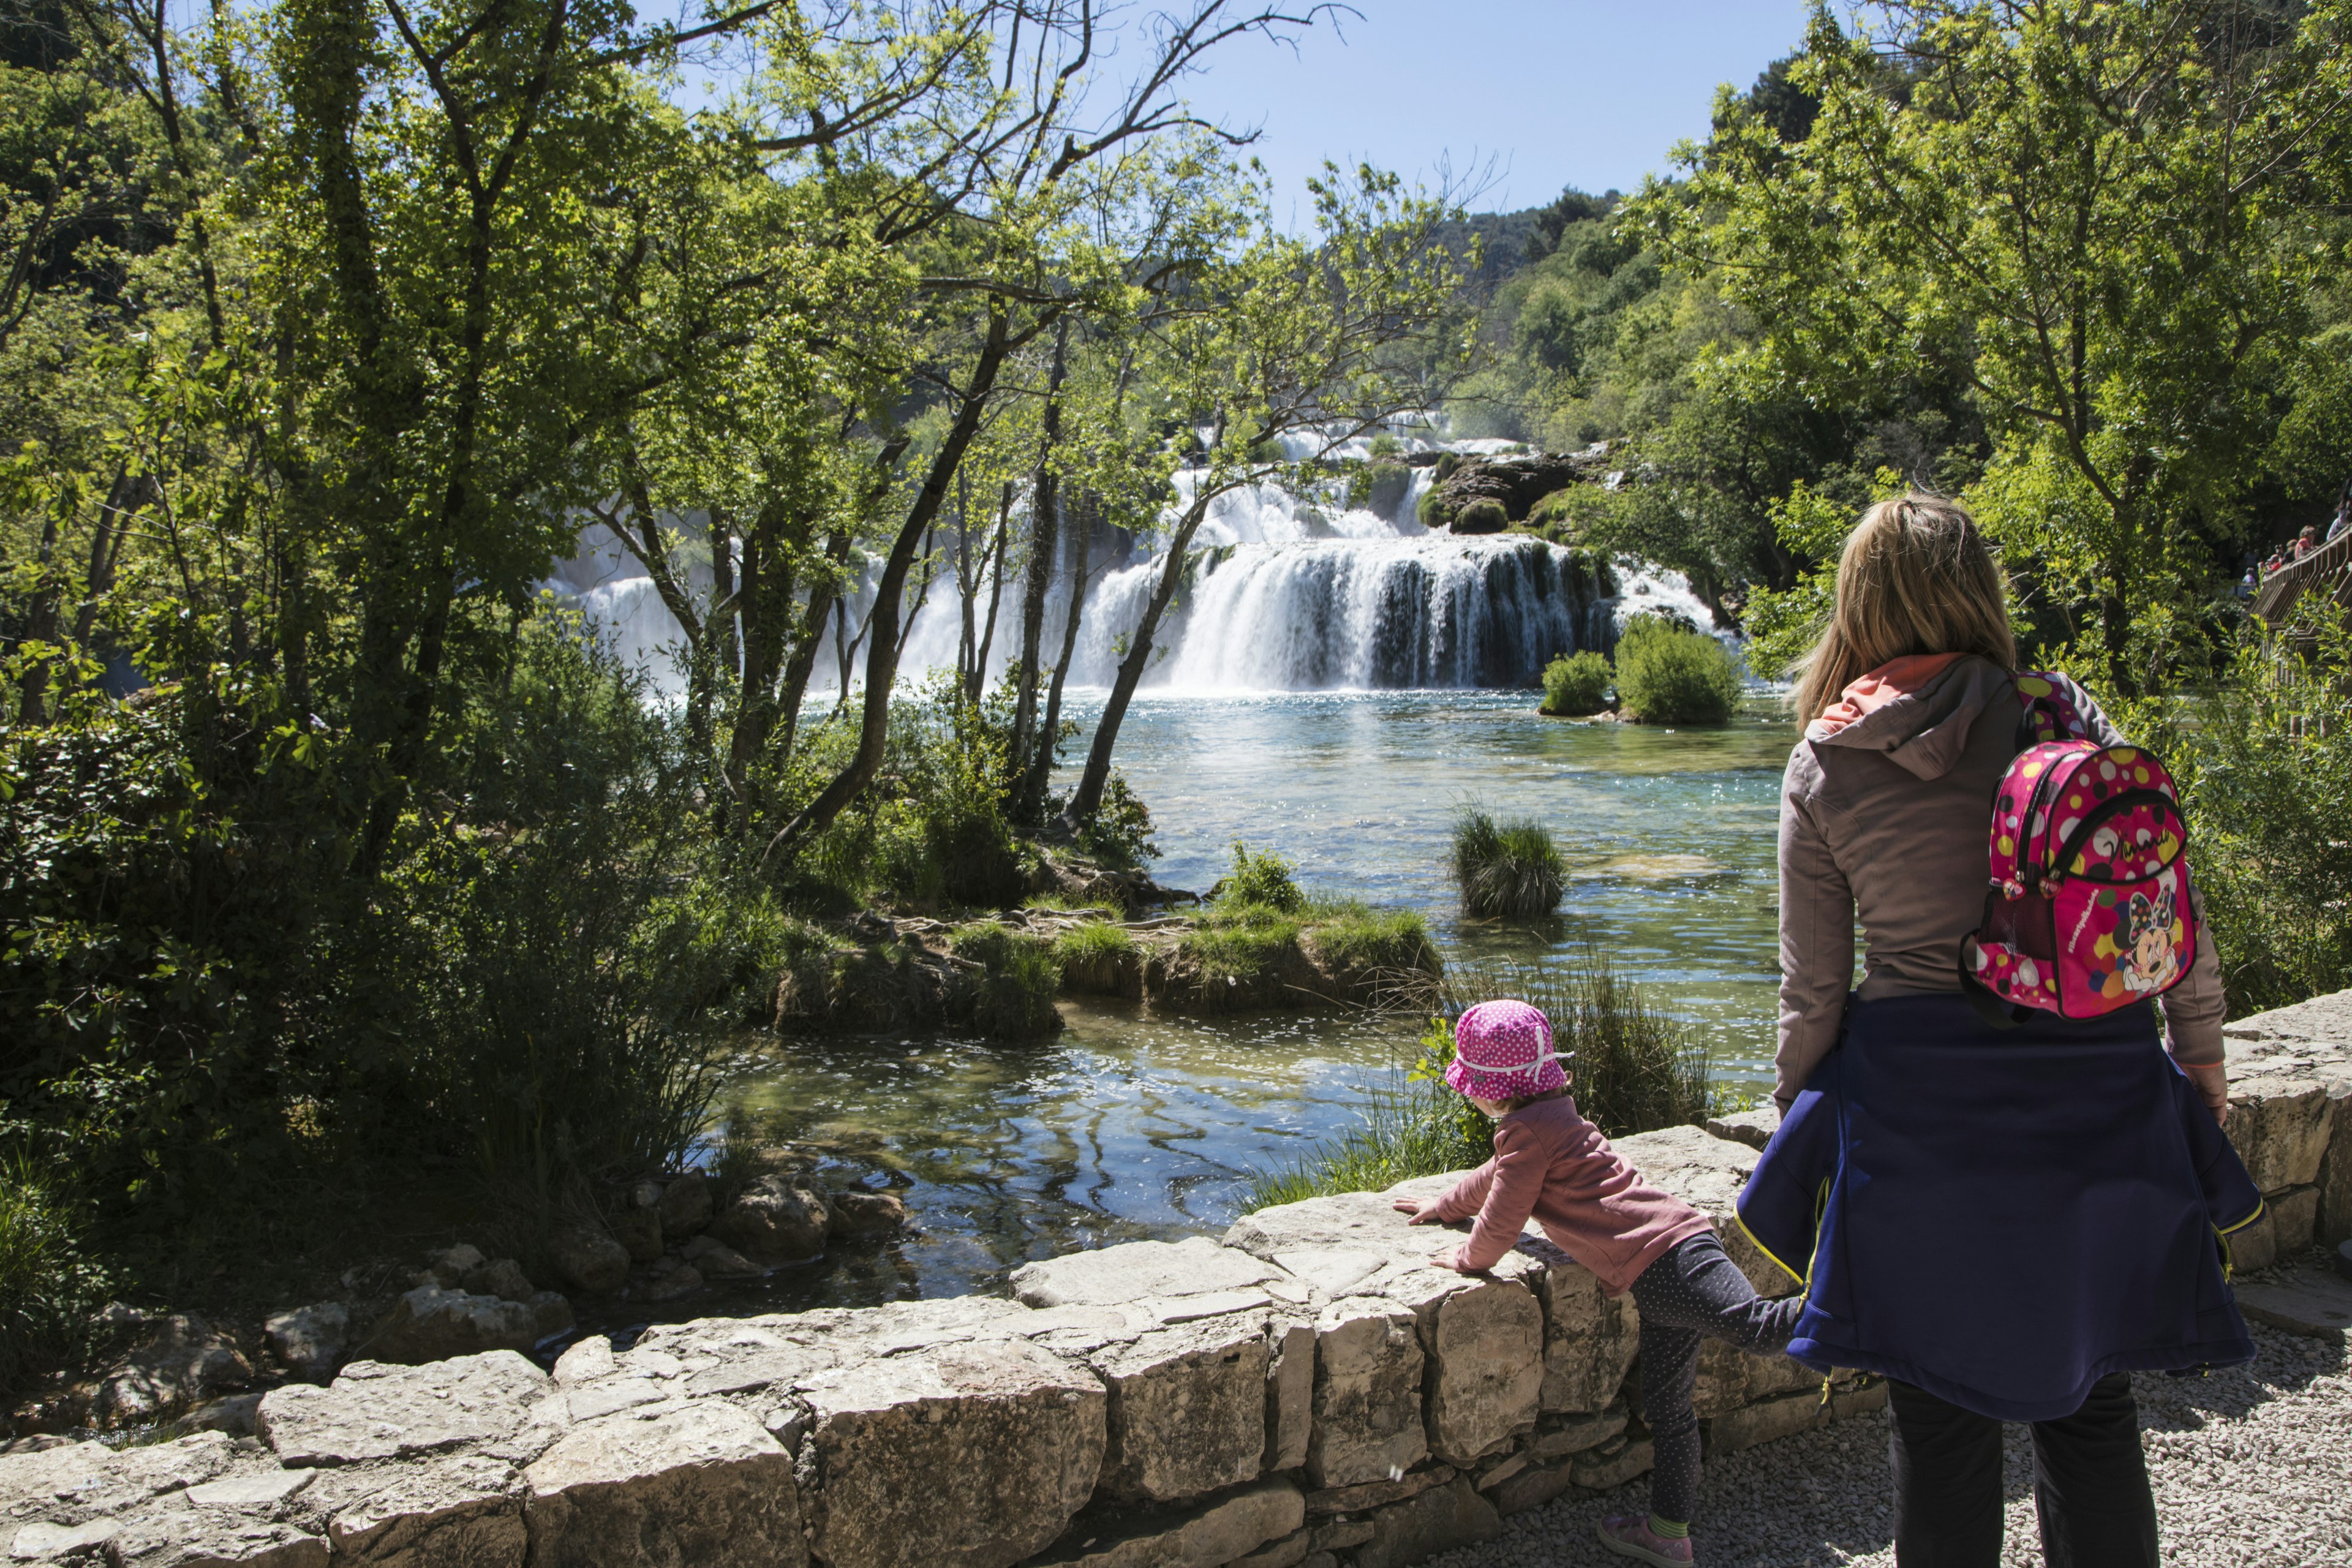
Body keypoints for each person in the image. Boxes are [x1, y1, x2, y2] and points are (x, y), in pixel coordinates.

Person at [1743, 493, 2258, 1568]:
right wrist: (2200, 1054)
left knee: (1939, 1430)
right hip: (2100, 1092)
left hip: (1919, 1117)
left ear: (1859, 602)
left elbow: (1815, 991)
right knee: (2096, 1411)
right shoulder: (2065, 717)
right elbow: (2171, 909)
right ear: (1977, 588)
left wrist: (1800, 1120)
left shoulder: (1826, 760)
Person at [1389, 1000, 1804, 1567]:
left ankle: (1860, 1294)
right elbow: (1493, 1179)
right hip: (1664, 1266)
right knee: (1669, 1410)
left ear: (1489, 1087)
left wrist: (1466, 1257)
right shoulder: (1552, 1117)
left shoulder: (1526, 1132)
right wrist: (1443, 1204)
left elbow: (1503, 1222)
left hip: (1670, 1259)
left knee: (1757, 1329)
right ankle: (1667, 1535)